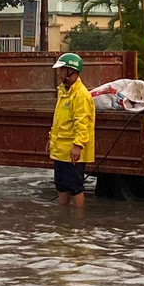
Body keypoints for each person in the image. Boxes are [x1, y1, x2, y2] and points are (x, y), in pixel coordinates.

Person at [48, 51, 94, 209]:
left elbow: (83, 123)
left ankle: (79, 219)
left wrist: (78, 145)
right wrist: (51, 139)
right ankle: (64, 217)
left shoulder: (80, 95)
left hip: (73, 152)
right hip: (60, 149)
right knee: (61, 185)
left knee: (75, 187)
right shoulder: (63, 91)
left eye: (61, 69)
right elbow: (59, 120)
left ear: (71, 71)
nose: (58, 73)